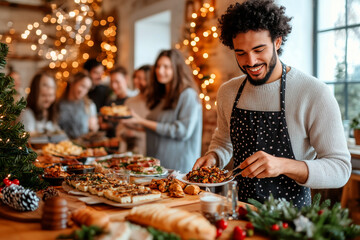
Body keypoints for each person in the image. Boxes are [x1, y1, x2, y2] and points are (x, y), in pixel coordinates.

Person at [193, 0, 351, 208]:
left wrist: (283, 165)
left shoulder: (313, 93)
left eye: (259, 49)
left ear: (277, 42)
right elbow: (223, 141)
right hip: (239, 211)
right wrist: (213, 157)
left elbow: (340, 169)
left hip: (291, 221)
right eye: (240, 53)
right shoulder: (228, 92)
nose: (250, 61)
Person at [123, 49, 202, 173]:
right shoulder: (162, 95)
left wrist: (141, 121)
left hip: (178, 169)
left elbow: (182, 131)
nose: (160, 71)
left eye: (166, 67)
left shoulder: (187, 95)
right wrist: (134, 124)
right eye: (158, 66)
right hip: (158, 167)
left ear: (177, 69)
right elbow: (159, 128)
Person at [121, 65, 152, 154]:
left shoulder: (157, 103)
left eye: (140, 78)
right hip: (130, 151)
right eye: (135, 77)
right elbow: (121, 128)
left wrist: (136, 133)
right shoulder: (129, 102)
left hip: (149, 150)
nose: (135, 81)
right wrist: (126, 132)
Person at [58, 72, 99, 139]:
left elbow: (94, 130)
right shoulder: (58, 105)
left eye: (87, 89)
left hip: (82, 145)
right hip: (62, 145)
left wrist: (94, 127)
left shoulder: (89, 105)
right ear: (73, 83)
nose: (84, 91)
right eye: (82, 86)